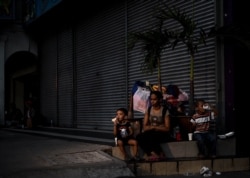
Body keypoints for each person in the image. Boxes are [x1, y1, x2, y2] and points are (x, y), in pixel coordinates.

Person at [136, 90, 171, 161]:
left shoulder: (164, 111)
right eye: (151, 99)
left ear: (159, 99)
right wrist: (151, 127)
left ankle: (159, 154)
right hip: (151, 131)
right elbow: (145, 127)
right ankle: (153, 153)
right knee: (139, 137)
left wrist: (155, 127)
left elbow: (167, 128)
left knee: (152, 137)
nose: (152, 101)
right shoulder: (148, 110)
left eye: (154, 99)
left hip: (161, 133)